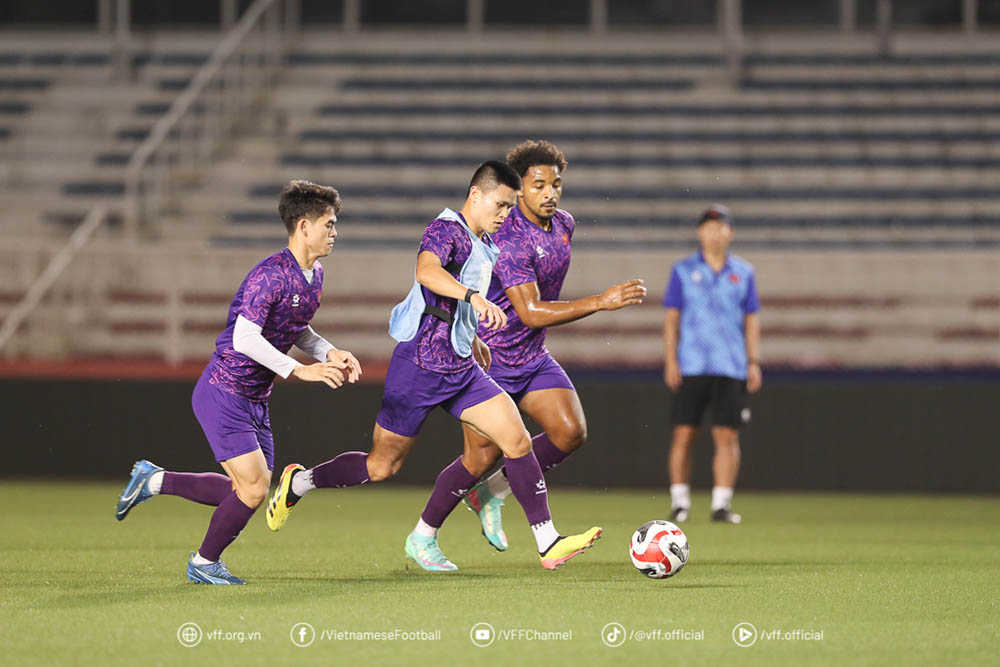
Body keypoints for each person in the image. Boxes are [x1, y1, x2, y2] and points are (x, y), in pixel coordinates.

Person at [265, 160, 602, 571]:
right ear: (475, 195)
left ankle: (544, 542)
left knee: (517, 439)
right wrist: (473, 299)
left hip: (460, 366)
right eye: (499, 205)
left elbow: (445, 305)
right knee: (381, 466)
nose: (504, 215)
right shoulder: (445, 229)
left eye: (510, 207)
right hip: (419, 366)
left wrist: (471, 335)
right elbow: (427, 273)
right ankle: (300, 482)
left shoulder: (487, 241)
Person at [114, 180, 360, 585]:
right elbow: (246, 338)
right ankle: (204, 563)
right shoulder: (270, 275)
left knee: (252, 489)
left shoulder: (314, 275)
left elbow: (295, 328)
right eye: (329, 224)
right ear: (303, 226)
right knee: (252, 489)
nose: (334, 232)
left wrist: (328, 352)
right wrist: (298, 370)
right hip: (224, 391)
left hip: (255, 399)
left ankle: (153, 480)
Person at [412, 140, 646, 559]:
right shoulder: (510, 238)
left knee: (570, 431)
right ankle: (424, 534)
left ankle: (491, 495)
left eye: (556, 184)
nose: (551, 193)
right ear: (518, 190)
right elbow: (532, 311)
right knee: (478, 458)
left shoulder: (564, 224)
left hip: (532, 356)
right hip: (492, 357)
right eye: (539, 185)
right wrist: (601, 301)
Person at [662, 204, 762, 524]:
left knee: (726, 436)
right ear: (700, 232)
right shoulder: (682, 270)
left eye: (720, 227)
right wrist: (670, 360)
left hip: (730, 364)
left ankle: (721, 503)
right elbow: (671, 319)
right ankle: (680, 501)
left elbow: (751, 320)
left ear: (730, 233)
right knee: (684, 434)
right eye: (708, 227)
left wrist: (754, 361)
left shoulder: (744, 272)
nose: (714, 233)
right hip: (692, 363)